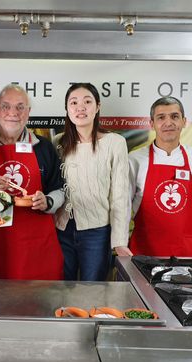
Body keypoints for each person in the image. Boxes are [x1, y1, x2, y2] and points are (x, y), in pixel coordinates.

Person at [0, 84, 64, 280]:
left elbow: (60, 190)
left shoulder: (44, 147)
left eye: (20, 107)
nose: (13, 113)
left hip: (35, 246)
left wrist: (47, 201)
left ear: (28, 112)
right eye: (5, 106)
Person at [54, 83, 130, 281]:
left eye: (87, 102)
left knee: (93, 290)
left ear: (97, 106)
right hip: (61, 228)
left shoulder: (114, 143)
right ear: (67, 109)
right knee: (61, 289)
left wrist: (119, 241)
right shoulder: (58, 143)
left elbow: (120, 195)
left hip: (97, 231)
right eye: (74, 102)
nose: (80, 107)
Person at [127, 96, 192, 257]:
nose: (168, 122)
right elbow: (123, 208)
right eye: (161, 117)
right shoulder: (135, 159)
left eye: (175, 116)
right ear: (151, 124)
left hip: (187, 253)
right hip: (145, 252)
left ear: (184, 121)